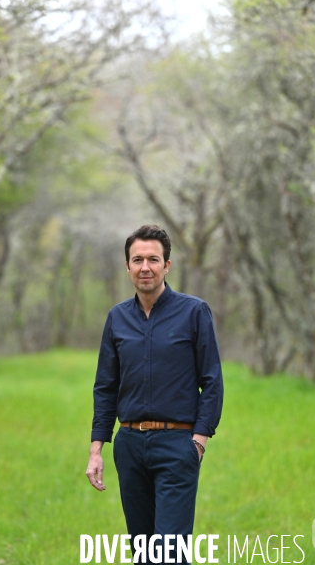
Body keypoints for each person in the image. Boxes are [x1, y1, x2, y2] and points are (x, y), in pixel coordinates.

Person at [86, 224, 223, 564]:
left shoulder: (193, 312)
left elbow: (213, 381)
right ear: (127, 266)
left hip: (177, 445)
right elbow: (106, 386)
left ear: (167, 265)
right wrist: (97, 448)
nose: (144, 266)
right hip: (130, 446)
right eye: (137, 260)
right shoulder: (116, 318)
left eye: (153, 259)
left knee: (170, 554)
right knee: (143, 553)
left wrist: (199, 441)